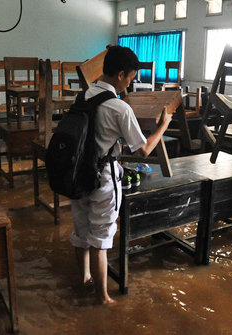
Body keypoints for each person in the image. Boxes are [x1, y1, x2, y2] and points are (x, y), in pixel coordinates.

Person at [71, 46, 173, 304]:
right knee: (101, 238)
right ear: (120, 74)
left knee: (81, 231)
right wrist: (163, 126)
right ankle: (102, 297)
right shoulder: (118, 107)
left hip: (77, 174)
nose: (130, 82)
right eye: (130, 78)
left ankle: (83, 279)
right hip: (102, 178)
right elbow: (144, 151)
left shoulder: (82, 97)